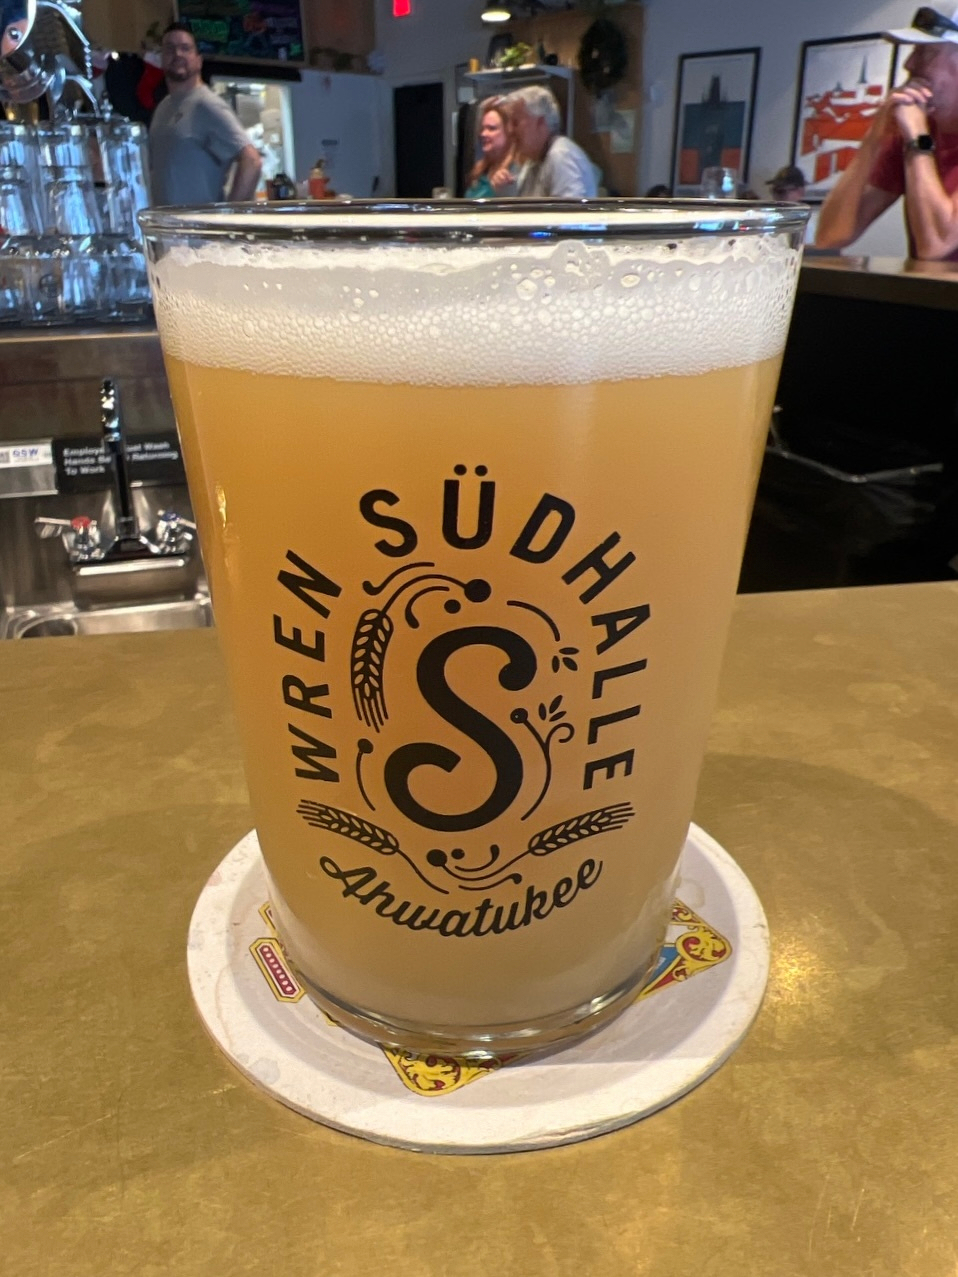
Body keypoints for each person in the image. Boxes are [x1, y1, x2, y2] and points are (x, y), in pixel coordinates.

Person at [816, 5, 958, 260]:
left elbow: (936, 245)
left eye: (926, 53)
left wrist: (917, 139)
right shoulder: (916, 131)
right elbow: (830, 235)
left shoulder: (917, 134)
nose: (909, 64)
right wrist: (874, 136)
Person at [149, 22, 262, 207]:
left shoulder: (207, 104)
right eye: (170, 49)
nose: (177, 54)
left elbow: (251, 161)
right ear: (162, 59)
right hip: (168, 232)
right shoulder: (163, 107)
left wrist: (229, 218)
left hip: (198, 233)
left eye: (185, 48)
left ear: (198, 60)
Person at [506, 85, 598, 199]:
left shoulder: (561, 156)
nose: (509, 130)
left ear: (540, 122)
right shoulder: (534, 161)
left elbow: (568, 215)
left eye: (515, 122)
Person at [464, 97, 518, 198]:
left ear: (509, 132)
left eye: (491, 128)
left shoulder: (515, 172)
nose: (483, 134)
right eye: (483, 128)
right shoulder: (480, 170)